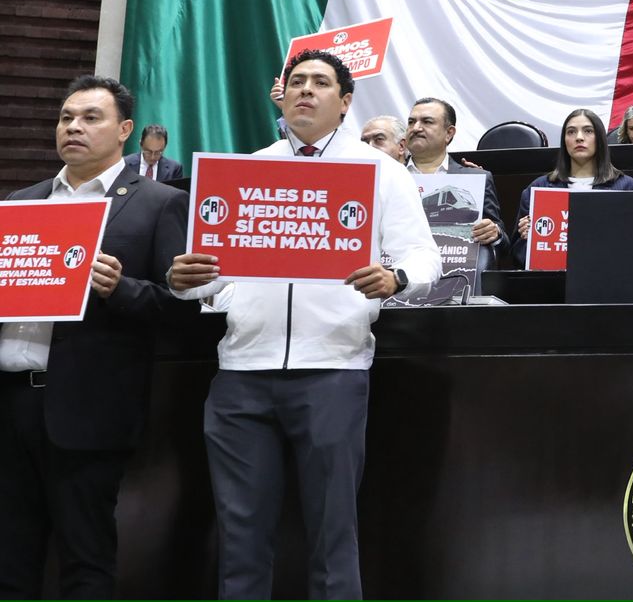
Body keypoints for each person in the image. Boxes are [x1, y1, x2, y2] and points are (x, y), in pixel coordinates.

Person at [167, 49, 440, 600]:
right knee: (240, 539)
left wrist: (396, 278)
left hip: (333, 370)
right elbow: (209, 276)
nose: (305, 90)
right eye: (296, 81)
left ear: (345, 102)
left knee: (333, 537)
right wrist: (182, 280)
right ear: (282, 95)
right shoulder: (245, 169)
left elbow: (424, 257)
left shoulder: (380, 171)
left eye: (320, 83)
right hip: (242, 371)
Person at [1, 77, 192, 598]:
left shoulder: (158, 203)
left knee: (85, 558)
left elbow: (182, 309)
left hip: (87, 408)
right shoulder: (23, 200)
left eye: (90, 118)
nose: (73, 127)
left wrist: (121, 288)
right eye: (66, 118)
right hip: (10, 402)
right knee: (9, 559)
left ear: (125, 130)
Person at [515, 108, 633, 262]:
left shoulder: (628, 188)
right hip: (554, 276)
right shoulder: (538, 188)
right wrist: (527, 239)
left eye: (588, 131)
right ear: (564, 141)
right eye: (571, 132)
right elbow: (518, 255)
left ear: (600, 139)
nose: (579, 137)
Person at [405, 97, 511, 267]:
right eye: (411, 122)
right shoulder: (388, 175)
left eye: (427, 122)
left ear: (449, 133)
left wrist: (495, 233)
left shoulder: (476, 179)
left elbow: (504, 246)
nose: (416, 128)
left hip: (456, 273)